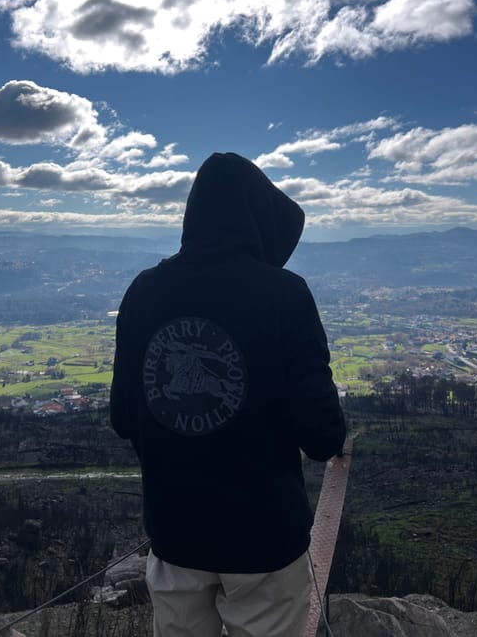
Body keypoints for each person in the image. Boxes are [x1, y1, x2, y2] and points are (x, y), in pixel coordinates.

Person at [110, 152, 346, 637]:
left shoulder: (144, 292)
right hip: (265, 543)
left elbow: (122, 417)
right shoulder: (285, 295)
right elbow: (323, 436)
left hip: (175, 535)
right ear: (261, 220)